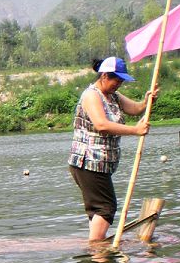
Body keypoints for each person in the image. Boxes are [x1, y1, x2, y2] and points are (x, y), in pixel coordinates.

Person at [68, 56, 158, 242]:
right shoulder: (91, 95)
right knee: (105, 207)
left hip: (100, 164)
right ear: (104, 76)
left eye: (121, 81)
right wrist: (135, 130)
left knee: (98, 209)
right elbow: (102, 125)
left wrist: (147, 101)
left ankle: (96, 249)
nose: (119, 84)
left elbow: (135, 108)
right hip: (88, 162)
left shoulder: (113, 96)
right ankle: (96, 248)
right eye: (116, 80)